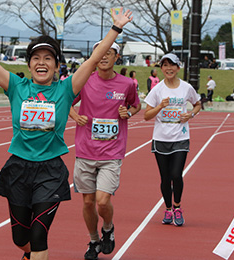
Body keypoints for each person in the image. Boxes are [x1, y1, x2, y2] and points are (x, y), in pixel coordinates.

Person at [0, 1, 132, 260]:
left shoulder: (65, 89)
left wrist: (115, 29)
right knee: (21, 239)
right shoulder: (16, 86)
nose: (42, 62)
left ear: (56, 66)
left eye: (48, 58)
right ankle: (28, 253)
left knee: (39, 235)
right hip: (18, 168)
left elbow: (95, 58)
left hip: (49, 171)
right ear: (29, 65)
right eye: (36, 58)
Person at [69, 41, 141, 260]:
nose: (103, 57)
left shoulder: (127, 84)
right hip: (85, 150)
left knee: (102, 200)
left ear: (116, 57)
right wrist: (75, 116)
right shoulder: (84, 81)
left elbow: (136, 105)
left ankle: (107, 228)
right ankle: (93, 240)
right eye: (99, 53)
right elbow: (66, 103)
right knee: (88, 202)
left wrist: (127, 113)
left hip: (111, 151)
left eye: (108, 53)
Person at [144, 53, 201, 227]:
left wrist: (190, 114)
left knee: (176, 175)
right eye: (165, 65)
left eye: (172, 65)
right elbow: (147, 115)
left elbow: (198, 103)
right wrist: (160, 106)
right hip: (161, 138)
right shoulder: (157, 89)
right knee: (165, 177)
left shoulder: (186, 88)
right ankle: (168, 208)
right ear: (161, 68)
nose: (169, 68)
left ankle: (177, 207)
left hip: (180, 137)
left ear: (178, 67)